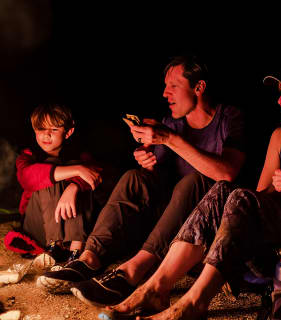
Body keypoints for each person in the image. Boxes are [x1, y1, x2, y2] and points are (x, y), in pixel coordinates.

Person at [101, 58, 281, 320]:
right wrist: (278, 187)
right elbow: (260, 200)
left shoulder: (230, 117)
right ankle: (156, 287)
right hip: (271, 243)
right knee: (224, 191)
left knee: (234, 191)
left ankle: (195, 302)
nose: (280, 101)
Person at [37, 55, 247, 301]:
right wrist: (147, 159)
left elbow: (227, 173)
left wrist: (169, 139)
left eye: (173, 86)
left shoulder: (229, 118)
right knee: (134, 177)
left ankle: (131, 272)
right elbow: (155, 180)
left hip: (207, 226)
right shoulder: (172, 123)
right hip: (169, 220)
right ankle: (89, 259)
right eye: (165, 86)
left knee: (195, 181)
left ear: (198, 87)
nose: (165, 94)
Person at [8, 104, 102, 264]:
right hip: (39, 227)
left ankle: (76, 249)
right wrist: (77, 170)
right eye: (41, 129)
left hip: (71, 229)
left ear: (68, 132)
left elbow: (96, 175)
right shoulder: (27, 156)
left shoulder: (80, 157)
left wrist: (74, 187)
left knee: (82, 180)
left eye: (53, 130)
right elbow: (27, 177)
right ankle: (54, 245)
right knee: (48, 170)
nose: (46, 135)